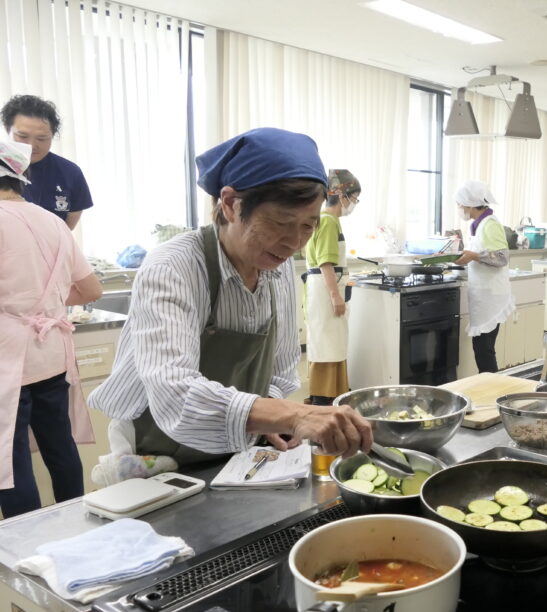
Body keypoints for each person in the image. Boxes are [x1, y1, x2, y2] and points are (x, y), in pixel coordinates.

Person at [89, 128, 372, 462]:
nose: (295, 242)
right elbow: (175, 395)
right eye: (282, 221)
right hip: (159, 455)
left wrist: (270, 416)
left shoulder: (276, 267)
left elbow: (281, 368)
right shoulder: (174, 267)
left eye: (308, 226)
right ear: (230, 204)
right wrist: (294, 415)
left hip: (236, 453)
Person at [0, 140, 102, 517]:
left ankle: (26, 548)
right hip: (51, 354)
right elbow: (91, 289)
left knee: (8, 459)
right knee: (60, 446)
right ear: (21, 176)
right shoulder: (52, 222)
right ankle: (75, 525)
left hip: (8, 358)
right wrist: (47, 305)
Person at [304, 169, 360, 405]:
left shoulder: (327, 220)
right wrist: (336, 296)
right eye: (355, 198)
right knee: (327, 348)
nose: (354, 203)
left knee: (332, 346)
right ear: (343, 196)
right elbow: (326, 262)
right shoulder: (327, 222)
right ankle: (324, 403)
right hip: (325, 294)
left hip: (324, 291)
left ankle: (335, 398)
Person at [1, 95, 93, 230]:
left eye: (42, 138)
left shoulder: (70, 172)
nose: (32, 145)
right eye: (22, 136)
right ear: (7, 130)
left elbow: (69, 224)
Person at [454, 181, 514, 373]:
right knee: (483, 350)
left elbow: (502, 257)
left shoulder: (490, 224)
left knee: (484, 351)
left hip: (491, 298)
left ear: (470, 204)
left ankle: (491, 392)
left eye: (460, 205)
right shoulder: (479, 224)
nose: (459, 209)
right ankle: (490, 388)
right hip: (485, 296)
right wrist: (467, 256)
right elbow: (483, 253)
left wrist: (475, 256)